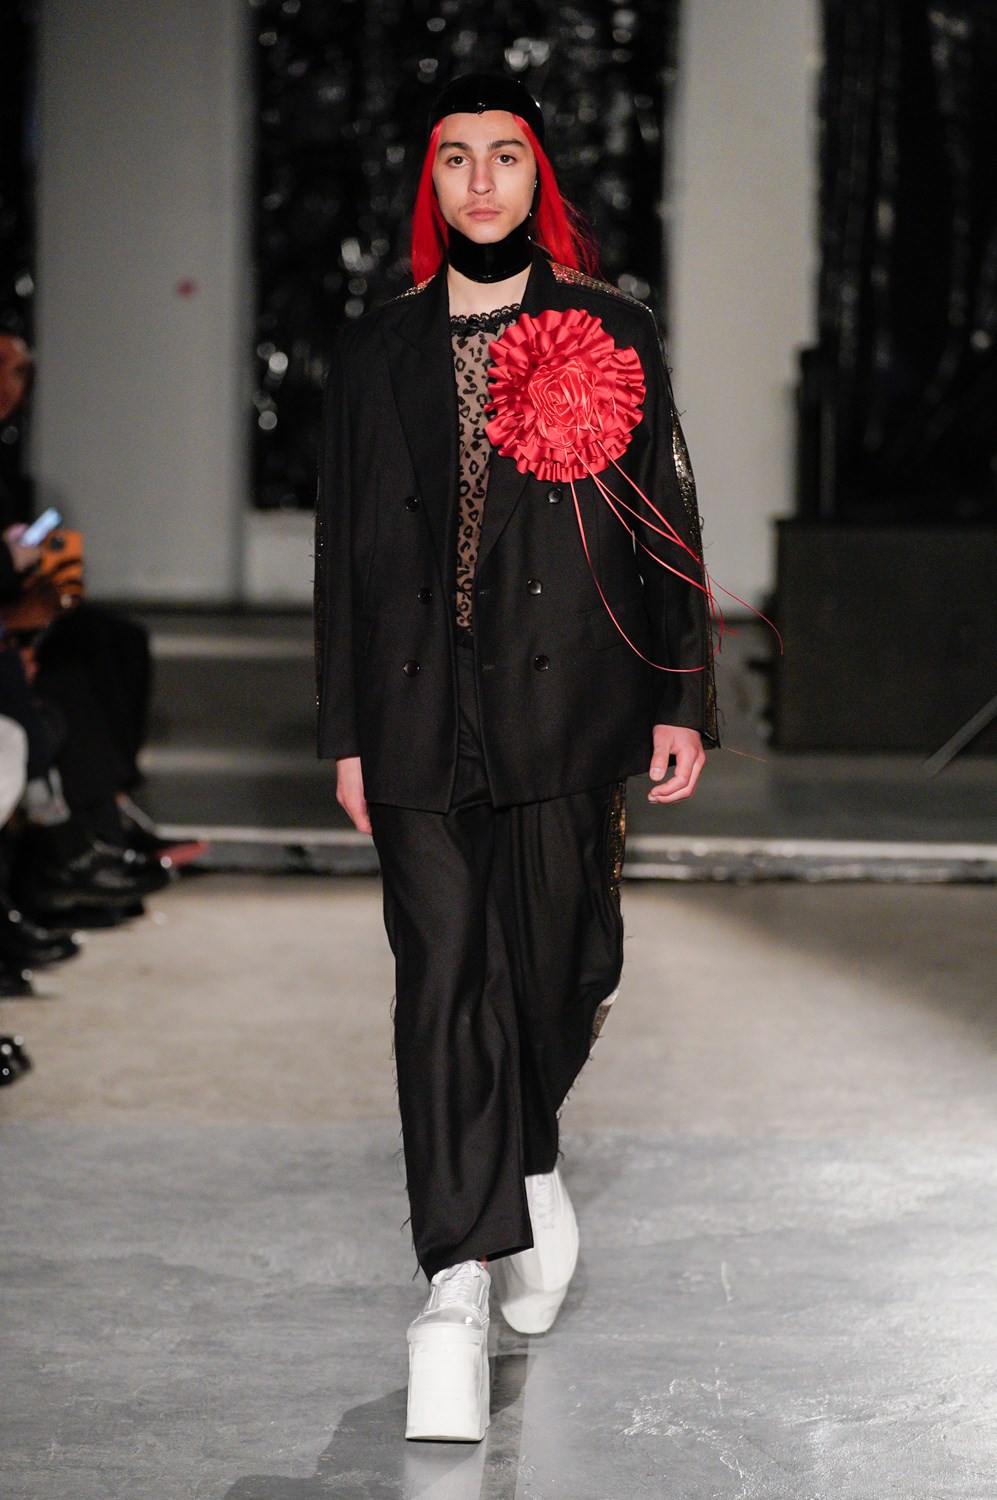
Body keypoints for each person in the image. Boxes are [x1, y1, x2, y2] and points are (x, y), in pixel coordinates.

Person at [315, 71, 718, 1443]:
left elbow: (666, 514)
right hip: (416, 707)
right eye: (454, 157)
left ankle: (527, 1147)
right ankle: (454, 1277)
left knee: (562, 965)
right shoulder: (375, 349)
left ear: (537, 174)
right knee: (440, 979)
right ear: (427, 181)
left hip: (568, 701)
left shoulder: (608, 326)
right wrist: (343, 729)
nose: (479, 180)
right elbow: (341, 556)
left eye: (503, 155)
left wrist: (682, 692)